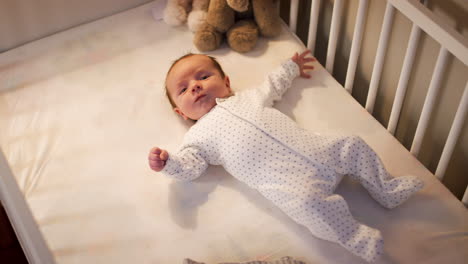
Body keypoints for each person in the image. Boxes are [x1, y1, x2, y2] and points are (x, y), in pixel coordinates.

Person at [148, 51, 424, 262]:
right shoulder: (197, 136)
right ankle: (355, 236)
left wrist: (291, 67)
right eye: (183, 89)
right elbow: (189, 166)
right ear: (181, 113)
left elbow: (272, 85)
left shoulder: (246, 98)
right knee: (308, 205)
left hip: (319, 150)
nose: (195, 86)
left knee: (351, 144)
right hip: (289, 183)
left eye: (203, 76)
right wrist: (168, 163)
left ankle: (387, 188)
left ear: (226, 82)